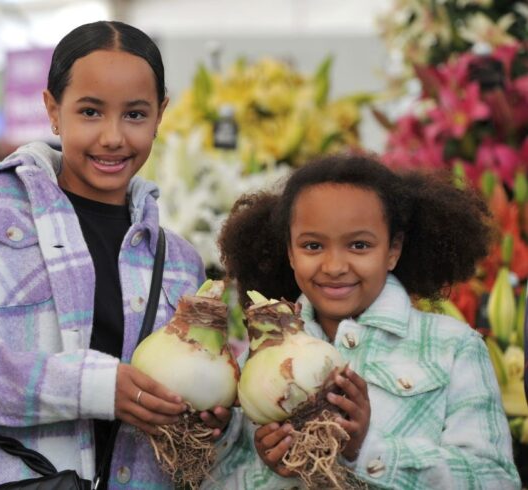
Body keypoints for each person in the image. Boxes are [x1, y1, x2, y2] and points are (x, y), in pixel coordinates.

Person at [0, 21, 233, 490]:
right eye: (90, 112)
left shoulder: (177, 261)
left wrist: (205, 418)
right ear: (53, 109)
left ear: (160, 114)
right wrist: (87, 388)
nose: (113, 137)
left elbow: (188, 410)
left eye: (135, 115)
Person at [209, 153, 520, 488]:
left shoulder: (455, 348)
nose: (334, 266)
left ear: (393, 250)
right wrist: (269, 470)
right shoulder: (255, 361)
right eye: (313, 246)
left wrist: (366, 450)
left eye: (359, 245)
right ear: (289, 251)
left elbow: (495, 480)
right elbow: (214, 480)